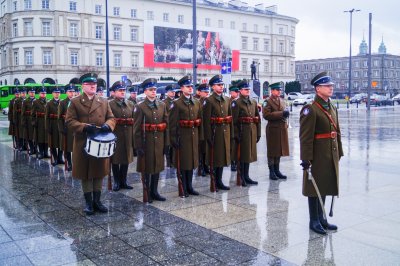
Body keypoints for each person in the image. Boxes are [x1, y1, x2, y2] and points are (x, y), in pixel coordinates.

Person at [66, 73, 116, 215]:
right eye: (89, 84)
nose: (93, 86)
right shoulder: (75, 102)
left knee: (99, 171)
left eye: (94, 84)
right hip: (83, 142)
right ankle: (88, 202)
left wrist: (108, 125)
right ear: (83, 86)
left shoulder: (103, 101)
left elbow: (111, 118)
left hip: (100, 142)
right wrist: (84, 127)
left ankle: (97, 201)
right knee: (86, 172)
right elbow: (69, 121)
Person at [300, 71, 343, 235]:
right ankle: (314, 220)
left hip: (329, 153)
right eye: (327, 86)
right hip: (316, 155)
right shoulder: (310, 109)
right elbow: (305, 137)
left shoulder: (331, 106)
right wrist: (306, 159)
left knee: (324, 185)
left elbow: (336, 131)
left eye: (331, 85)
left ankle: (323, 218)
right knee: (314, 187)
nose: (331, 88)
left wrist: (339, 151)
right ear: (318, 89)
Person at [133, 78, 168, 203]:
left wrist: (166, 143)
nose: (154, 92)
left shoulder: (162, 105)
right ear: (145, 91)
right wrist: (138, 146)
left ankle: (155, 191)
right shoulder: (140, 106)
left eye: (155, 89)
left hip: (159, 142)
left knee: (157, 167)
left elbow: (166, 126)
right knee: (147, 168)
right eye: (151, 90)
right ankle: (147, 191)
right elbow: (136, 129)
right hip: (146, 142)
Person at [169, 75, 202, 197]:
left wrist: (200, 137)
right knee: (183, 164)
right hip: (182, 138)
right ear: (182, 88)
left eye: (191, 86)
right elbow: (172, 124)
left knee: (192, 163)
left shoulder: (196, 102)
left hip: (193, 137)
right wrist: (173, 140)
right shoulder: (176, 104)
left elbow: (200, 121)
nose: (190, 88)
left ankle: (190, 186)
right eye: (187, 87)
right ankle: (183, 187)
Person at [203, 74, 233, 191]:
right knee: (215, 159)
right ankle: (214, 181)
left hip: (224, 132)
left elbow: (230, 117)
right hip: (215, 133)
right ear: (212, 87)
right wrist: (208, 136)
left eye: (221, 85)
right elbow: (206, 121)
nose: (221, 87)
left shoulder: (226, 99)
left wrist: (231, 134)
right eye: (218, 85)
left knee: (221, 158)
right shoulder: (209, 101)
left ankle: (219, 180)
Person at [231, 80, 261, 186]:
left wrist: (258, 133)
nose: (248, 91)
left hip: (251, 132)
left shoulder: (253, 102)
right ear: (240, 91)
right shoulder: (236, 103)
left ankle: (247, 176)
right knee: (242, 156)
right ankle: (241, 176)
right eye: (245, 89)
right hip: (242, 133)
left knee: (248, 155)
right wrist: (235, 134)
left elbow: (257, 119)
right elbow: (233, 121)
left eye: (248, 89)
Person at [109, 81, 134, 191]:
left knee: (126, 158)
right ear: (114, 92)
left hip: (128, 134)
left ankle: (124, 181)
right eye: (120, 90)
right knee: (115, 159)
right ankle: (117, 181)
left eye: (124, 90)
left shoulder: (130, 104)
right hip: (115, 134)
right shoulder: (110, 104)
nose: (123, 92)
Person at [262, 82, 289, 180]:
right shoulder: (267, 101)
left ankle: (277, 170)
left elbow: (284, 110)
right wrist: (282, 113)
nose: (279, 91)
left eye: (280, 90)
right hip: (273, 129)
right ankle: (272, 171)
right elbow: (266, 115)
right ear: (272, 91)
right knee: (272, 151)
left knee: (279, 150)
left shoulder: (282, 100)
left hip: (281, 128)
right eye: (277, 90)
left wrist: (286, 114)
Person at [58, 84, 76, 171]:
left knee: (76, 147)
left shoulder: (77, 101)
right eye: (70, 92)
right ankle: (69, 163)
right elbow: (59, 117)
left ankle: (76, 163)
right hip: (67, 129)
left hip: (76, 128)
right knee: (68, 148)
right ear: (66, 92)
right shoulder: (62, 103)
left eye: (73, 91)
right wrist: (61, 129)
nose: (72, 93)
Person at [46, 87, 64, 166]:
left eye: (58, 92)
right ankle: (55, 158)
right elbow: (46, 117)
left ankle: (60, 158)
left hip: (60, 124)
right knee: (53, 143)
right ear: (52, 94)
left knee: (61, 142)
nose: (57, 94)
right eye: (55, 92)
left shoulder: (62, 102)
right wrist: (47, 127)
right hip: (52, 124)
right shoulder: (49, 103)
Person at [197, 84, 210, 177]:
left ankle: (206, 166)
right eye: (204, 91)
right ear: (199, 92)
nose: (206, 93)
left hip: (207, 129)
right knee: (201, 150)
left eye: (207, 91)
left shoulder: (208, 102)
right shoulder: (198, 102)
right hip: (200, 129)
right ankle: (200, 167)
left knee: (206, 149)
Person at [31, 88, 48, 159]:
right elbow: (33, 114)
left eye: (44, 93)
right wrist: (34, 122)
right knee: (40, 138)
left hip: (46, 122)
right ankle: (41, 153)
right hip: (39, 122)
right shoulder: (35, 102)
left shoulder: (48, 101)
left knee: (46, 138)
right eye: (42, 93)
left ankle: (46, 153)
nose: (43, 94)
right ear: (39, 94)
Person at [163, 84, 176, 167]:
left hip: (175, 127)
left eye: (174, 91)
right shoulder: (164, 102)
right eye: (171, 92)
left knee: (174, 145)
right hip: (168, 127)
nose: (173, 93)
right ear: (167, 93)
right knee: (168, 145)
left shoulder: (176, 102)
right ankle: (169, 162)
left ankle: (173, 161)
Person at [21, 87, 36, 155]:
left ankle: (36, 149)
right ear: (28, 93)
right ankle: (32, 148)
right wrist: (23, 122)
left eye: (33, 92)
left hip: (36, 120)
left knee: (36, 135)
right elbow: (23, 113)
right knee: (29, 135)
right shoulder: (25, 101)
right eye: (31, 92)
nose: (32, 93)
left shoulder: (37, 100)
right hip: (28, 120)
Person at [229, 84, 240, 171]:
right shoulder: (229, 101)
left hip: (238, 128)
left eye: (237, 92)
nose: (237, 93)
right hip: (231, 127)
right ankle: (232, 163)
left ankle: (236, 162)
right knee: (232, 147)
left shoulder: (238, 101)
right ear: (231, 92)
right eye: (235, 92)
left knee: (236, 146)